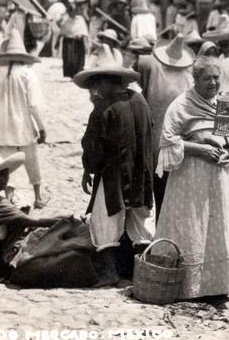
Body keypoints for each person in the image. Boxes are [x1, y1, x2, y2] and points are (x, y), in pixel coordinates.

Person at [153, 57, 229, 299]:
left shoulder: (225, 103)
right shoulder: (181, 105)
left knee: (217, 226)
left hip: (221, 179)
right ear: (195, 80)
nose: (213, 83)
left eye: (216, 77)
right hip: (191, 180)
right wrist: (199, 147)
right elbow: (167, 143)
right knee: (193, 225)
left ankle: (218, 285)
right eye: (207, 78)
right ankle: (189, 287)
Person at [74, 46, 155, 286]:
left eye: (97, 85)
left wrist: (88, 169)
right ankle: (142, 271)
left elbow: (93, 147)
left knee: (105, 221)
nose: (95, 91)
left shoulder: (103, 109)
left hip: (114, 178)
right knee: (142, 221)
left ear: (107, 83)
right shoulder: (140, 101)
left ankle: (110, 273)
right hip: (142, 174)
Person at [0, 143, 64, 279]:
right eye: (2, 176)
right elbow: (32, 221)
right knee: (19, 227)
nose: (7, 179)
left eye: (6, 175)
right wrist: (63, 220)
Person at [134, 34, 194, 214]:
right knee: (171, 186)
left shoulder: (151, 67)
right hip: (178, 137)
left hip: (155, 135)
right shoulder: (188, 78)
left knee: (156, 183)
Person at [0, 29, 47, 209]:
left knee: (7, 162)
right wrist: (41, 126)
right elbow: (34, 104)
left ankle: (9, 197)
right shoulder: (27, 74)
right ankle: (38, 196)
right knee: (32, 159)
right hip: (22, 124)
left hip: (3, 126)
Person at [59, 5, 89, 78]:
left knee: (79, 58)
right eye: (70, 12)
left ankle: (78, 73)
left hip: (78, 41)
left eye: (74, 11)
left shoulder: (80, 19)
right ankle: (71, 74)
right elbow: (62, 32)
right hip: (68, 42)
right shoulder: (66, 20)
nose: (72, 13)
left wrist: (82, 37)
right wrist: (57, 43)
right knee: (70, 59)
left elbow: (84, 31)